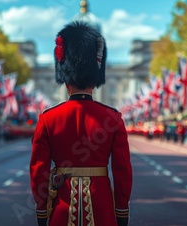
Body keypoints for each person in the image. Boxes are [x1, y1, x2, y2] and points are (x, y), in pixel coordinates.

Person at [30, 22, 132, 226]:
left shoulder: (48, 118)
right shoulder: (112, 118)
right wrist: (121, 210)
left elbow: (39, 170)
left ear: (65, 80)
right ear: (95, 81)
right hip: (102, 205)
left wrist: (42, 210)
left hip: (61, 204)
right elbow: (122, 171)